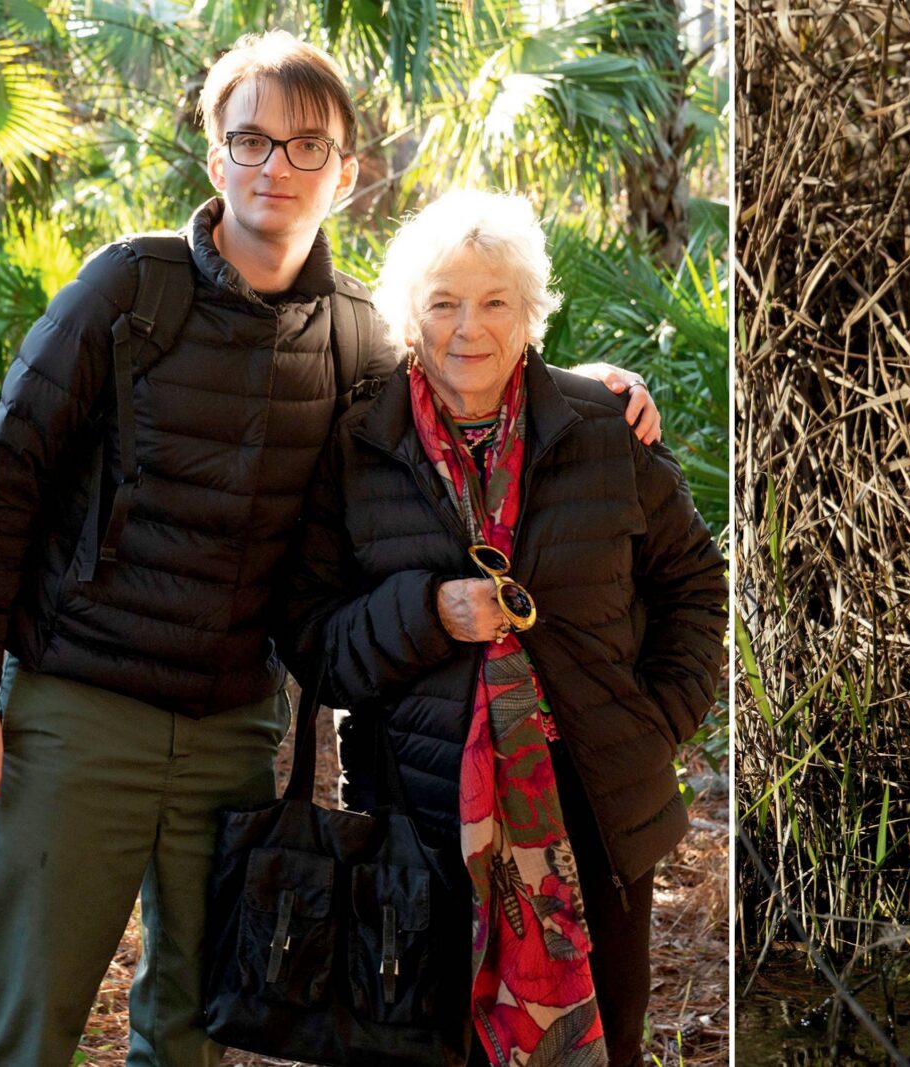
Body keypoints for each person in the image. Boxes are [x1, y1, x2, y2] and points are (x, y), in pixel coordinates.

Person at [0, 32, 661, 1067]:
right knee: (22, 1018)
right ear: (213, 155)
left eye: (305, 145)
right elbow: (10, 472)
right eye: (252, 140)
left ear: (347, 172)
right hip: (81, 708)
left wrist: (582, 385)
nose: (276, 166)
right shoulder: (124, 291)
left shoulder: (354, 334)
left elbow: (453, 375)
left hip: (233, 727)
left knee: (192, 1020)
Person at [280, 188, 726, 1067]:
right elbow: (310, 637)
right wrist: (430, 613)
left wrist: (659, 720)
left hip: (598, 817)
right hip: (418, 825)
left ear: (530, 313)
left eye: (493, 302)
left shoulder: (606, 427)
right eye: (443, 301)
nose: (467, 327)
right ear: (411, 316)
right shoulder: (357, 446)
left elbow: (695, 582)